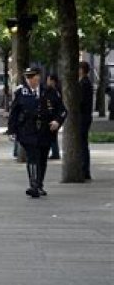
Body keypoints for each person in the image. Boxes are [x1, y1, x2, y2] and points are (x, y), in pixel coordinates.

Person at [7, 67, 67, 198]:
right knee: (32, 156)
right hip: (28, 130)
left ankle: (39, 184)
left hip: (45, 130)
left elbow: (62, 110)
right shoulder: (21, 92)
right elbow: (14, 112)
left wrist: (57, 121)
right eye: (27, 77)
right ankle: (33, 185)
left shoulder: (49, 91)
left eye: (32, 77)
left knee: (42, 158)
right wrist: (11, 130)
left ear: (38, 77)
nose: (29, 80)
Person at [79, 62, 93, 180]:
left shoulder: (84, 83)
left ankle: (85, 170)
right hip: (85, 116)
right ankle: (84, 169)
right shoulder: (85, 82)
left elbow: (81, 101)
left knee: (82, 143)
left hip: (83, 116)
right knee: (83, 143)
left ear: (82, 70)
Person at [46, 74, 62, 160]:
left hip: (54, 116)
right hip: (55, 115)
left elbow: (55, 104)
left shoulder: (55, 91)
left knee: (52, 135)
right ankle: (55, 152)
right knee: (52, 135)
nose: (47, 82)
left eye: (48, 80)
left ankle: (55, 153)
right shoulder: (56, 90)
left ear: (52, 81)